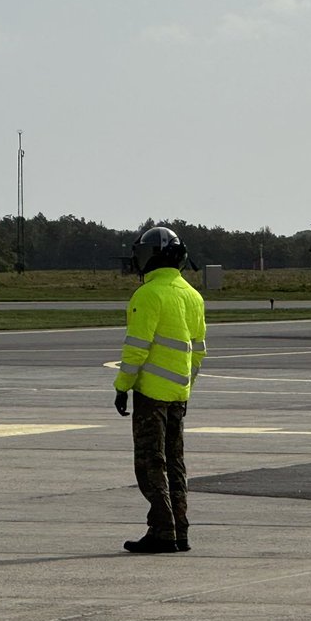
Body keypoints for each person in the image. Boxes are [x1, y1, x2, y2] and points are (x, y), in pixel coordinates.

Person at [113, 226, 206, 554]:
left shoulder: (148, 295)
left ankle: (163, 530)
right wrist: (187, 388)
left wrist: (122, 386)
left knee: (150, 463)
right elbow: (199, 350)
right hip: (179, 394)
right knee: (175, 462)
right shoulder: (192, 295)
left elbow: (136, 348)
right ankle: (179, 528)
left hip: (151, 394)